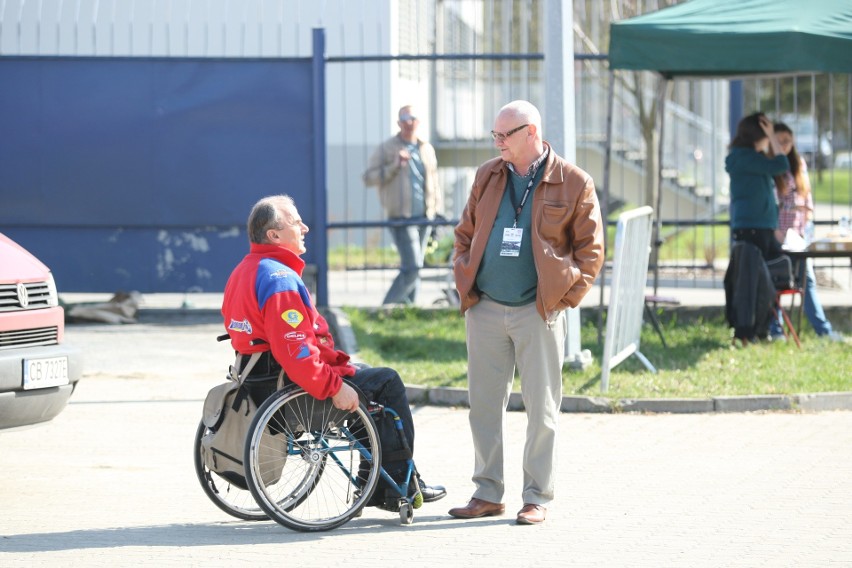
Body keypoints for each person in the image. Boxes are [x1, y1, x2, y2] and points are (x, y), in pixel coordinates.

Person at [221, 194, 446, 509]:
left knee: (365, 372)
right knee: (387, 383)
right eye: (296, 222)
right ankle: (395, 486)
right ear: (274, 235)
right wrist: (334, 387)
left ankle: (382, 476)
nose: (305, 228)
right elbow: (296, 354)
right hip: (290, 387)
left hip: (257, 379)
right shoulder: (280, 280)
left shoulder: (245, 271)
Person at [448, 100, 604, 525]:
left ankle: (537, 496)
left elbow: (591, 254)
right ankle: (487, 492)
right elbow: (465, 233)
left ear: (531, 133)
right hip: (484, 307)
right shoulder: (488, 174)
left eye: (505, 135)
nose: (498, 143)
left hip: (538, 311)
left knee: (542, 409)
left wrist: (560, 301)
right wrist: (464, 276)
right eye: (494, 135)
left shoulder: (573, 182)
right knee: (482, 405)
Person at [363, 105, 443, 305]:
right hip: (401, 217)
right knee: (413, 267)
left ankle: (408, 309)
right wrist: (394, 166)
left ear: (418, 122)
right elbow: (369, 178)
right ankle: (387, 307)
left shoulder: (426, 147)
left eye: (412, 117)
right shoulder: (387, 147)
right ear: (399, 123)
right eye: (404, 118)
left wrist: (437, 209)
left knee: (417, 265)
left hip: (426, 215)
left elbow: (433, 180)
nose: (409, 122)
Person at [771, 122, 843, 342]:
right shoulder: (772, 166)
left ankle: (823, 330)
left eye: (788, 141)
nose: (784, 145)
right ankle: (776, 329)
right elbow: (772, 201)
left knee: (807, 280)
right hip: (780, 235)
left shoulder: (798, 163)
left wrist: (806, 219)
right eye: (780, 141)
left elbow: (806, 195)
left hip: (799, 235)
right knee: (776, 281)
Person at [724, 112, 790, 343]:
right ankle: (754, 327)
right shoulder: (745, 158)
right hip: (754, 229)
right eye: (767, 133)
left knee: (762, 279)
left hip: (757, 227)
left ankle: (762, 326)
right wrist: (772, 135)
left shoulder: (747, 158)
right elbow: (782, 163)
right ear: (758, 134)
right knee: (756, 281)